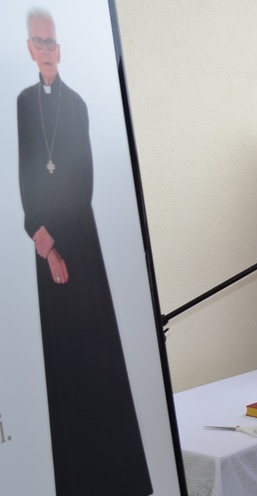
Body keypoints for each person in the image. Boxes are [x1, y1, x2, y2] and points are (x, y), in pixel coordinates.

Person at [17, 8, 152, 495]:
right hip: (47, 252)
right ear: (29, 48)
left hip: (82, 249)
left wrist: (59, 247)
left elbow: (83, 183)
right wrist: (43, 242)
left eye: (53, 43)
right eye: (40, 42)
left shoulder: (75, 105)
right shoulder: (20, 104)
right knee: (63, 366)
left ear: (60, 49)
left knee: (97, 362)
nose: (48, 51)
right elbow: (23, 177)